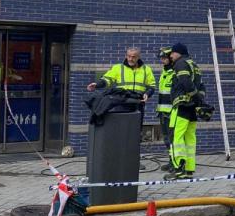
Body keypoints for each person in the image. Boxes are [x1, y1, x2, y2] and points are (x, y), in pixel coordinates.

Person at [164, 43, 205, 180]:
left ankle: (178, 169)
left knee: (176, 137)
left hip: (182, 105)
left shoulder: (180, 63)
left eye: (172, 53)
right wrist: (199, 101)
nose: (170, 56)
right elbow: (202, 86)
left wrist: (192, 95)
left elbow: (185, 81)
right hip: (192, 108)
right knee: (190, 139)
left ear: (178, 53)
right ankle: (188, 169)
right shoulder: (194, 65)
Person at [87, 47, 156, 114]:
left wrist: (147, 94)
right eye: (129, 56)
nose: (130, 59)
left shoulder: (146, 69)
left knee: (136, 125)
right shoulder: (118, 68)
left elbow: (151, 86)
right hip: (122, 103)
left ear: (138, 57)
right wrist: (97, 85)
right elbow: (107, 79)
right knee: (121, 124)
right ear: (126, 56)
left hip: (138, 103)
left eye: (133, 57)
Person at [157, 46, 175, 171]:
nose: (162, 60)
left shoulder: (175, 72)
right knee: (167, 139)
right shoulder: (165, 72)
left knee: (174, 140)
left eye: (164, 58)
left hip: (172, 112)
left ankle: (176, 163)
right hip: (163, 112)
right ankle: (171, 160)